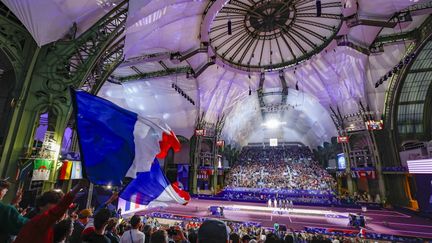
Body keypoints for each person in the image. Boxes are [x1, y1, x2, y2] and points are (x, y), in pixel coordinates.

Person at [14, 180, 88, 243]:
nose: (61, 211)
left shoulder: (46, 226)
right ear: (41, 205)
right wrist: (78, 187)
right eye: (56, 205)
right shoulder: (40, 221)